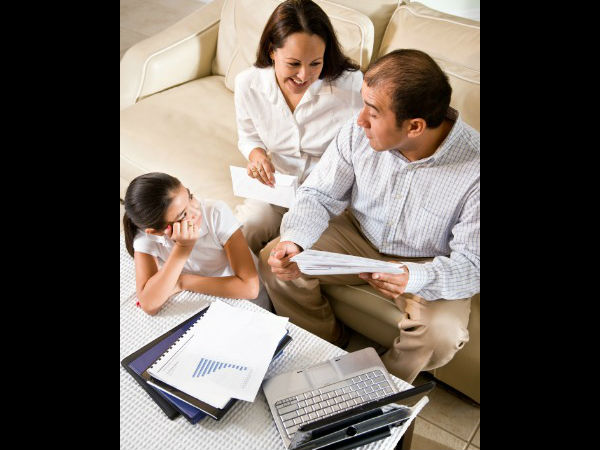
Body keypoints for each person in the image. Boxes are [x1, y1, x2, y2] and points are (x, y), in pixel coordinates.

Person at [259, 49, 480, 384]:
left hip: (427, 261)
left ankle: (377, 386)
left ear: (415, 126)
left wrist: (413, 277)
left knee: (441, 335)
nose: (360, 119)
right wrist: (295, 241)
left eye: (373, 112)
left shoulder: (475, 170)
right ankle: (325, 348)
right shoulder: (357, 130)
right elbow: (318, 194)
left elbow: (473, 264)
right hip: (357, 232)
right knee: (276, 261)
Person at [234, 0, 363, 254]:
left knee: (284, 255)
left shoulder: (352, 86)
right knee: (242, 232)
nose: (304, 76)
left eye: (315, 63)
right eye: (293, 64)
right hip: (277, 185)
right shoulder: (248, 84)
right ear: (272, 51)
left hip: (328, 196)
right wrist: (257, 156)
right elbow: (248, 137)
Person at [123, 172, 270, 315]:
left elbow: (250, 288)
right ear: (155, 232)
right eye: (183, 215)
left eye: (190, 196)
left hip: (249, 307)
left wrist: (182, 282)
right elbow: (149, 305)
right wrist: (182, 248)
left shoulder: (215, 213)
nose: (196, 210)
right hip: (205, 308)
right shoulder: (146, 238)